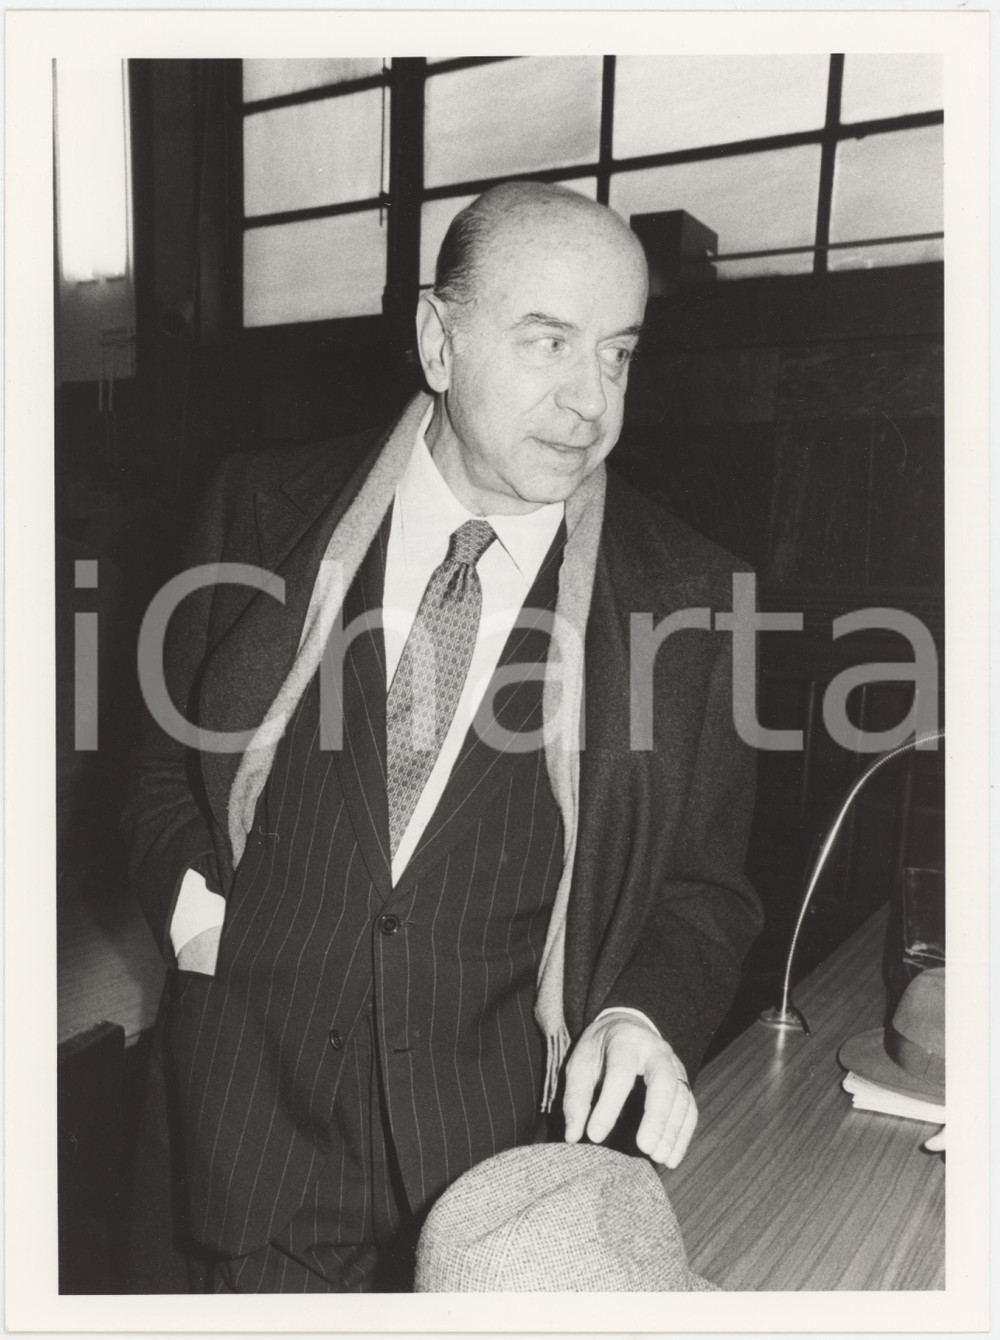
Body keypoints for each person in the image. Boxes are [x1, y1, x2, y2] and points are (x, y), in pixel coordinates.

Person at [124, 181, 762, 1292]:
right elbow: (151, 769)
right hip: (249, 1153)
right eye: (547, 342)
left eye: (616, 354)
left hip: (496, 1188)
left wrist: (631, 1008)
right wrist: (200, 924)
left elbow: (704, 891)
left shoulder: (691, 596)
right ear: (437, 337)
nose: (588, 403)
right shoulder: (262, 508)